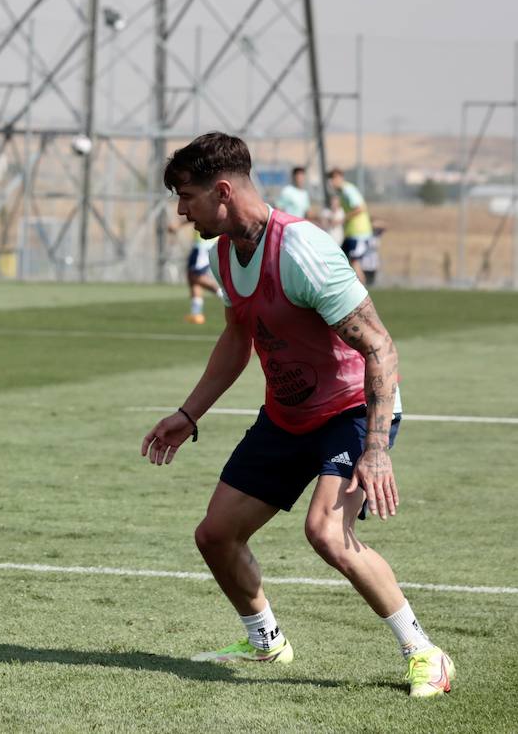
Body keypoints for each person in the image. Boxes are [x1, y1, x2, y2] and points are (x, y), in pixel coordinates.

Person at [141, 133, 454, 699]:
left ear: (224, 190)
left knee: (327, 532)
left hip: (355, 410)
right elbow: (238, 340)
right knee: (215, 535)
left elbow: (379, 346)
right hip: (288, 414)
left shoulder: (302, 250)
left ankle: (425, 652)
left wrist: (376, 448)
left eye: (186, 196)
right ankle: (266, 640)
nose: (181, 211)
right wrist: (190, 414)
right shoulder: (224, 252)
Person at [169, 216, 220, 325]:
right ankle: (196, 314)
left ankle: (224, 295)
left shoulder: (207, 201)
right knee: (192, 278)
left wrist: (178, 224)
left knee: (195, 276)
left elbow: (198, 213)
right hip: (200, 244)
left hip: (204, 244)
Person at [330, 168, 373, 283]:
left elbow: (360, 207)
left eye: (334, 178)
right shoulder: (342, 192)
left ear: (340, 178)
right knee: (339, 259)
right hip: (350, 233)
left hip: (359, 233)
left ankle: (362, 292)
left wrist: (343, 219)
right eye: (331, 179)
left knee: (354, 261)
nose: (332, 182)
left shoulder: (348, 190)